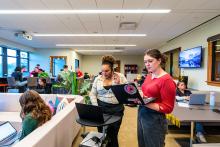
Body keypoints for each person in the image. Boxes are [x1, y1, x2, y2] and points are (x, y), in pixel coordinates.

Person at [138, 49, 176, 147]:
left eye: (150, 61)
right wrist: (139, 95)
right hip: (142, 114)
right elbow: (146, 92)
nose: (147, 64)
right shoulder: (149, 76)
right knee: (142, 144)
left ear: (159, 60)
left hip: (155, 119)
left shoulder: (166, 80)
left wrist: (144, 102)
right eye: (145, 62)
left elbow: (168, 108)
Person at [90, 55, 127, 147]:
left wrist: (119, 84)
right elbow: (92, 94)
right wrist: (96, 107)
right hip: (101, 108)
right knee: (102, 133)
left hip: (116, 109)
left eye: (107, 71)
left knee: (112, 135)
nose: (104, 73)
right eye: (102, 71)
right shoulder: (98, 79)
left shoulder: (120, 77)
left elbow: (128, 93)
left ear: (112, 69)